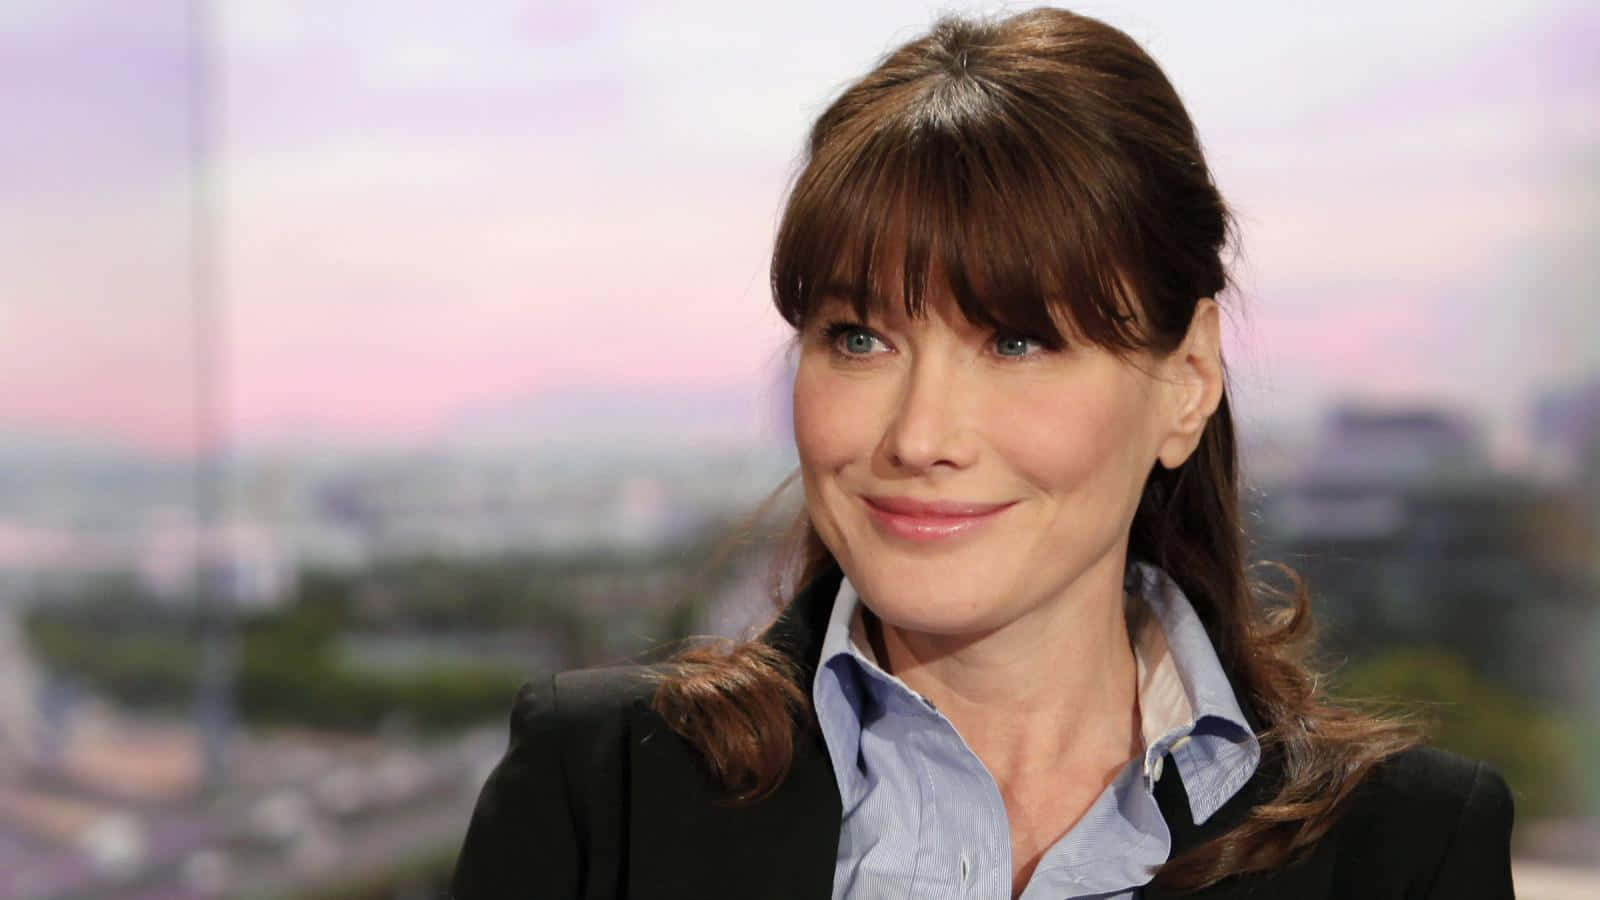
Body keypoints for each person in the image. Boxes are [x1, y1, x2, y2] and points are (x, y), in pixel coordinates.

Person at [449, 8, 1516, 899]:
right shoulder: (601, 794)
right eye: (858, 339)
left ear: (1186, 379)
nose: (919, 437)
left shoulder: (1407, 853)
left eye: (1017, 340)